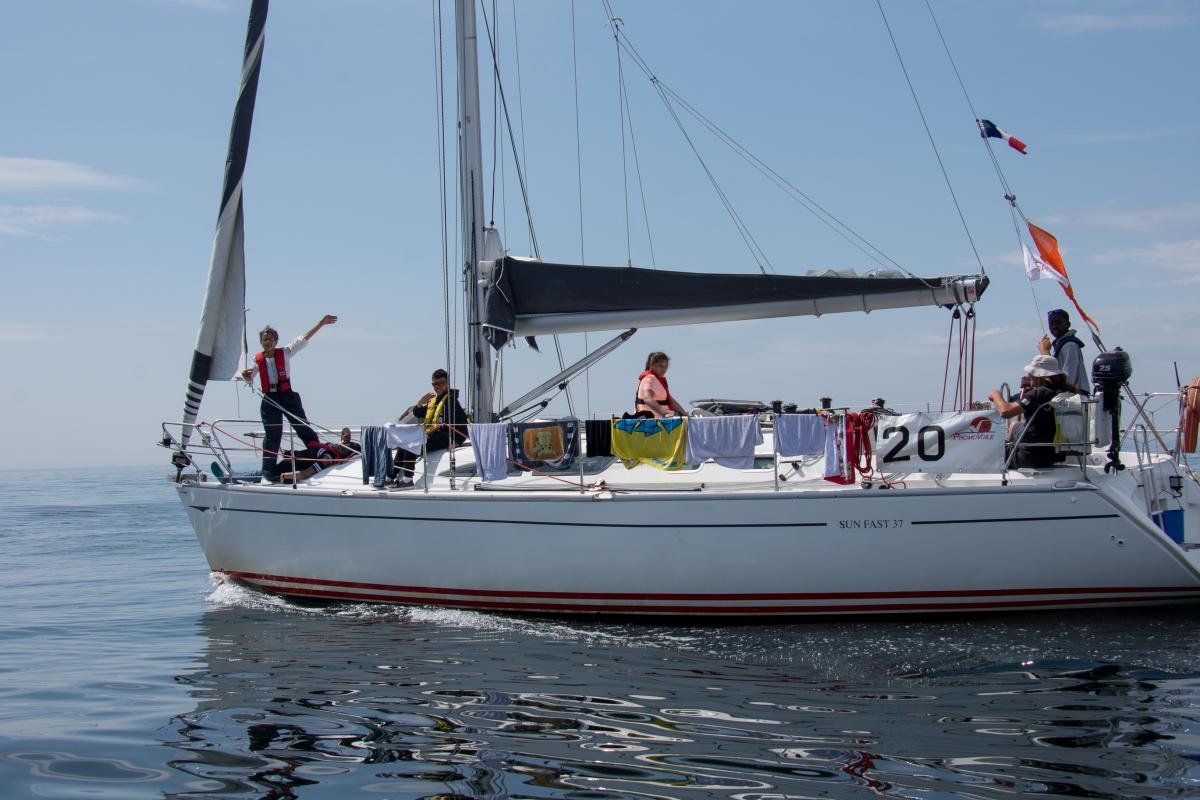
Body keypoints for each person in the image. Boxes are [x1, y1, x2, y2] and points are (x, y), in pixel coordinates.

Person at [240, 314, 337, 479]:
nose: (267, 342)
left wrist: (321, 323)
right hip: (270, 399)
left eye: (270, 339)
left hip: (287, 395)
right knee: (272, 434)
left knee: (302, 427)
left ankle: (319, 454)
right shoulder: (257, 360)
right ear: (261, 342)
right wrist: (246, 376)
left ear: (276, 341)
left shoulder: (285, 352)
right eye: (264, 340)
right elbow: (250, 378)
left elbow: (302, 339)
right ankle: (268, 470)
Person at [987, 354, 1087, 469]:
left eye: (1031, 373)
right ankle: (1013, 448)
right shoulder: (1065, 392)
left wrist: (996, 395)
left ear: (1039, 376)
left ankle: (1010, 457)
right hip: (1053, 455)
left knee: (991, 452)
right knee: (1015, 425)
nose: (1028, 376)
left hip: (1029, 457)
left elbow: (1005, 412)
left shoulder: (1038, 394)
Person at [391, 368, 468, 486]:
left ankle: (407, 479)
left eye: (441, 383)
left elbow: (463, 424)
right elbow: (418, 413)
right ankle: (390, 476)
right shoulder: (433, 401)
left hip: (443, 437)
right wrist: (420, 402)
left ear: (447, 383)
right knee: (404, 443)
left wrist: (458, 441)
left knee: (412, 444)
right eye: (435, 384)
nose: (438, 386)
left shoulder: (452, 402)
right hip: (431, 435)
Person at [1040, 309, 1090, 393]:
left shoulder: (1070, 346)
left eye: (1058, 323)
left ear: (1068, 324)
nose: (1054, 326)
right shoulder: (1060, 345)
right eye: (1051, 324)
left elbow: (1068, 379)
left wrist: (1045, 353)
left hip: (1075, 396)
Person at [634, 352, 688, 418]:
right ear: (652, 365)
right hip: (655, 420)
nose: (664, 369)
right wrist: (664, 414)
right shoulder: (649, 378)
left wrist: (684, 413)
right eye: (660, 366)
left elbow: (671, 401)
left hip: (661, 418)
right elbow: (647, 398)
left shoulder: (657, 380)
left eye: (666, 366)